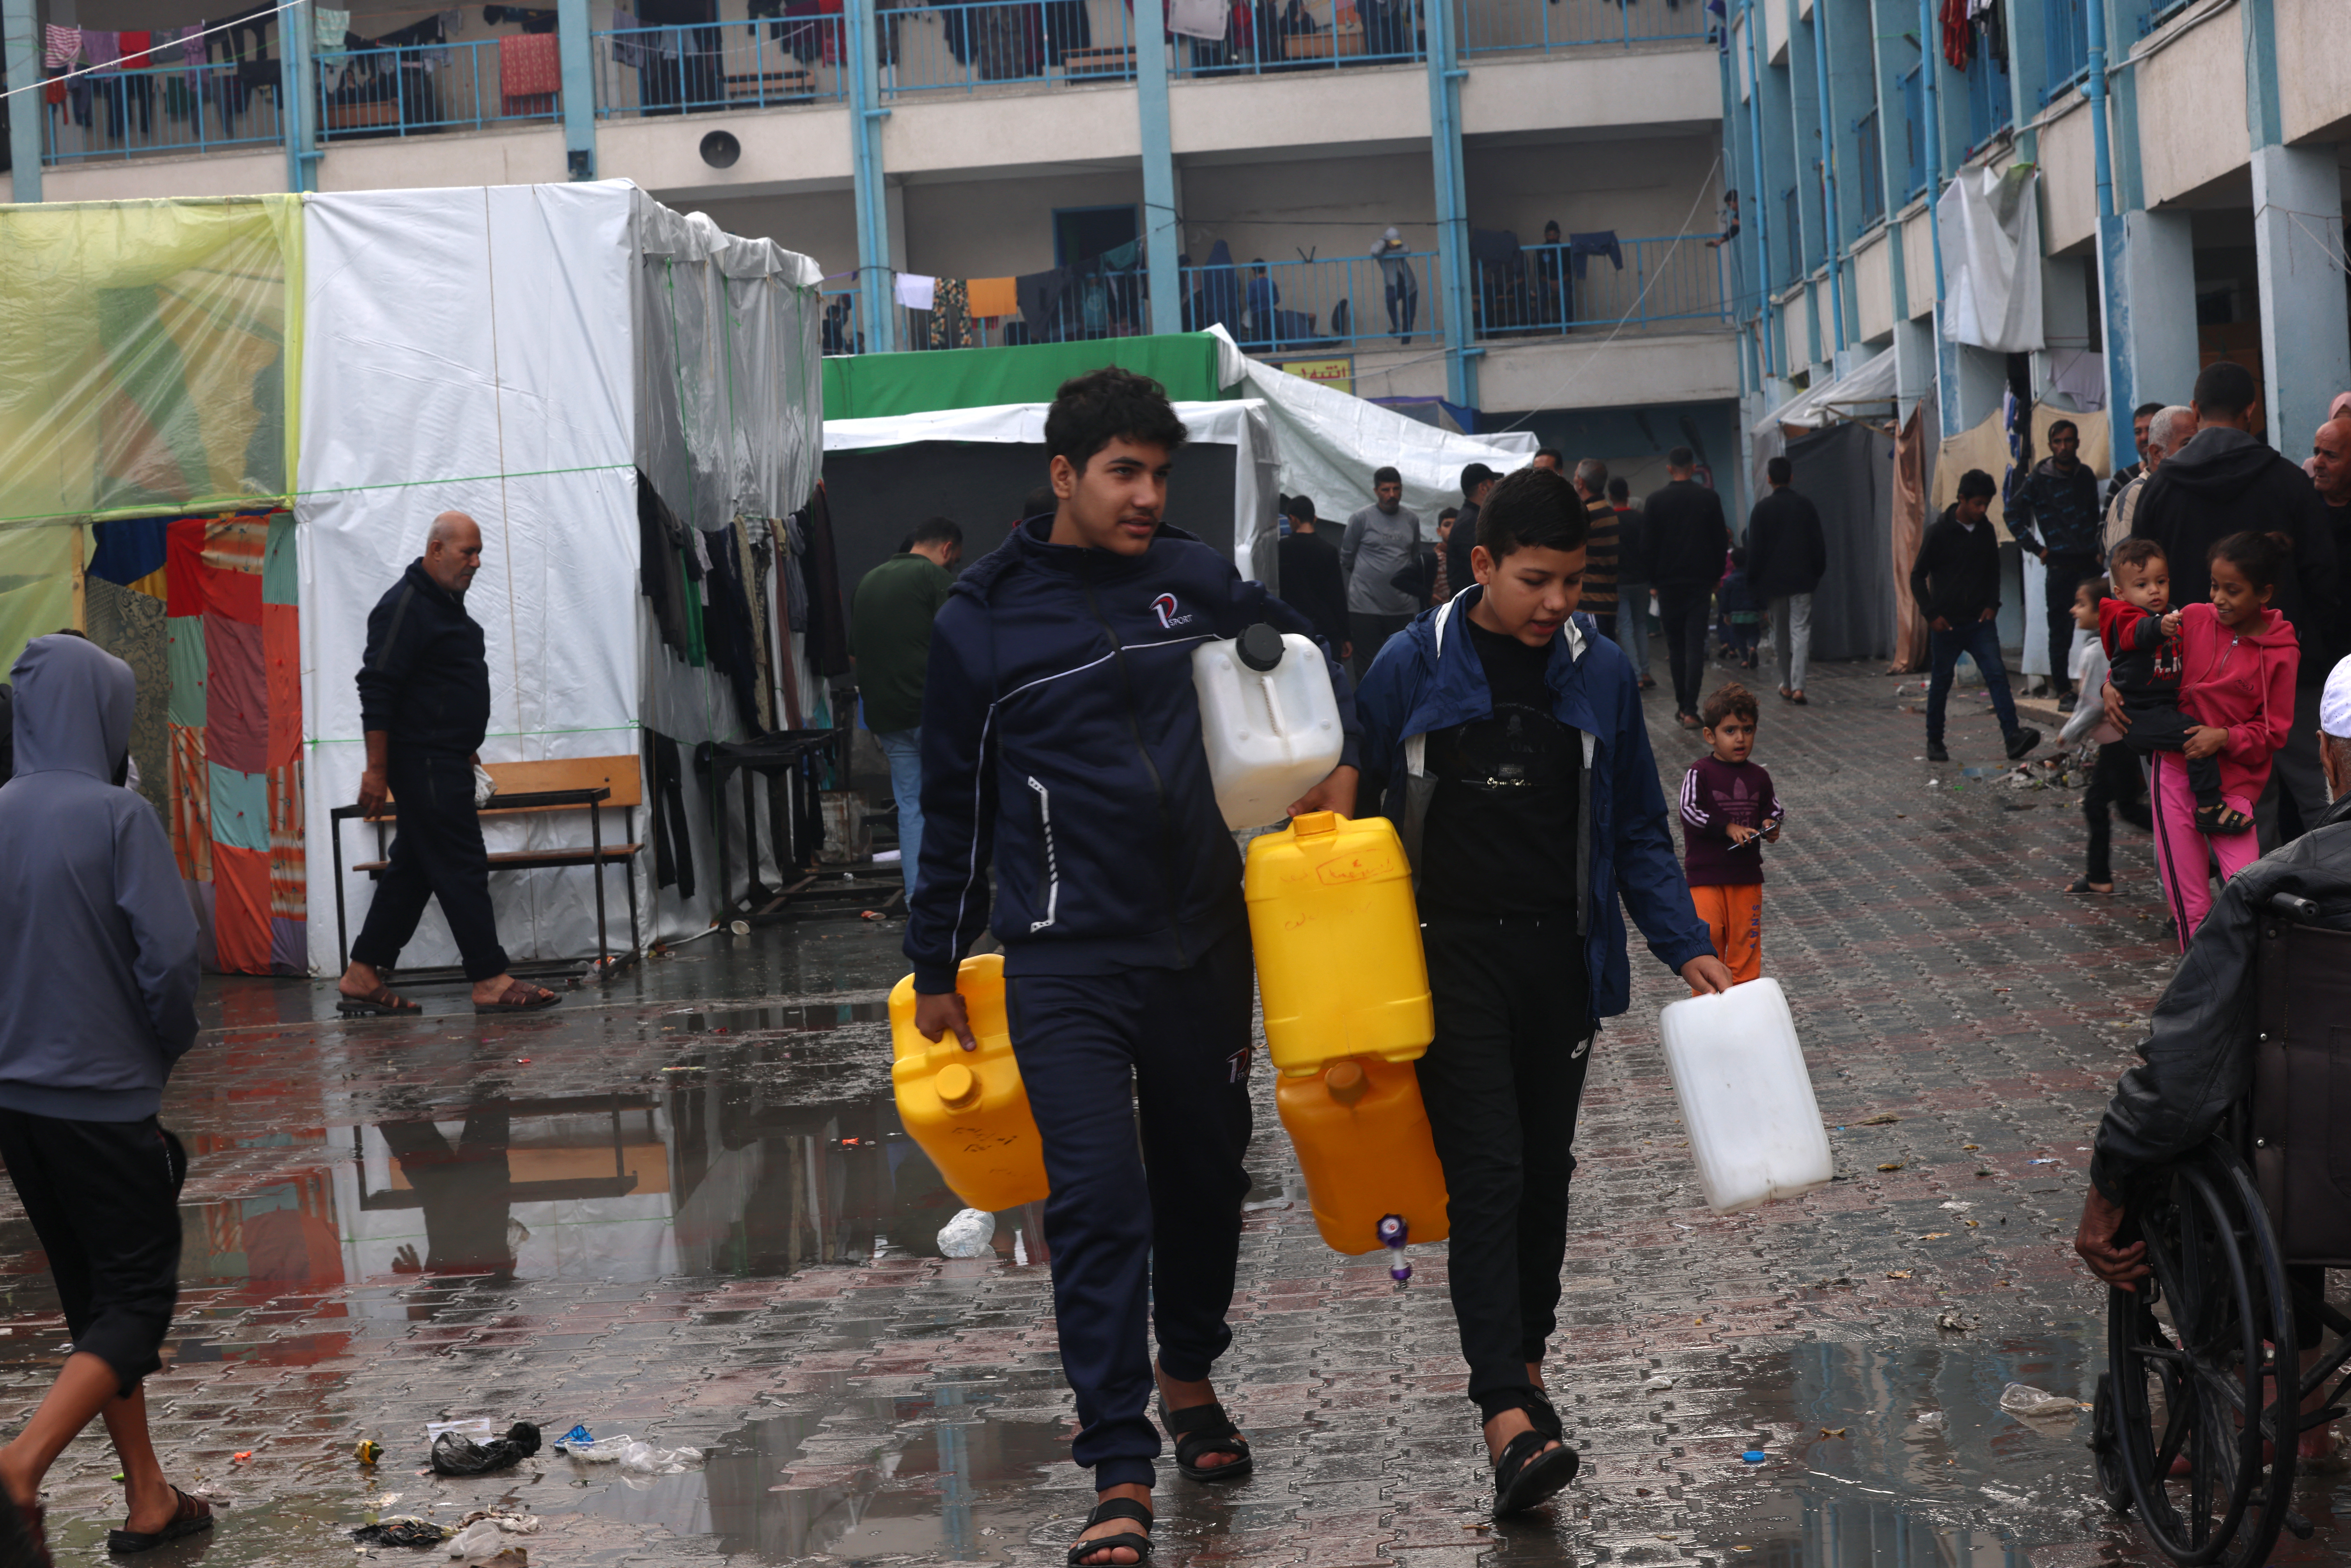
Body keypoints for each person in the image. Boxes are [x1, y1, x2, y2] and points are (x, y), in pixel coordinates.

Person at [903, 368, 1359, 1568]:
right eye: (1122, 472)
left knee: (1208, 1177)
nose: (1146, 495)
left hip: (1204, 937)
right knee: (1099, 1202)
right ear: (1062, 475)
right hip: (1062, 957)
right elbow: (951, 804)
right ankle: (1115, 1460)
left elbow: (1303, 657)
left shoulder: (1194, 579)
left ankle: (1186, 1373)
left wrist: (1327, 737)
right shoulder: (983, 619)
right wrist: (935, 957)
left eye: (1159, 473)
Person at [1354, 465, 1730, 1517]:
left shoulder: (1599, 671)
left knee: (1543, 1180)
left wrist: (1680, 940)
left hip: (1558, 962)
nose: (1556, 601)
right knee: (1488, 1169)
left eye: (1571, 581)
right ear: (1479, 566)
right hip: (1441, 959)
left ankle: (1522, 1365)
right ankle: (1503, 1413)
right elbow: (1346, 807)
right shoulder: (1406, 664)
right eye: (1533, 580)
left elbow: (1632, 825)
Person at [2074, 652, 2351, 1466]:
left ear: (2329, 757)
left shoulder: (2277, 887)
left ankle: (2252, 1408)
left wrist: (2109, 1184)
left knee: (2227, 1126)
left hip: (2317, 1178)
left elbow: (2180, 1071)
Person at [0, 634, 212, 1556]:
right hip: (103, 1100)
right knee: (136, 1303)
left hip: (20, 1110)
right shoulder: (120, 818)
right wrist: (162, 1047)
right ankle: (19, 1469)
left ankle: (149, 1496)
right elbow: (168, 964)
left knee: (95, 1302)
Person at [337, 513, 559, 1017]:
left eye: (479, 552)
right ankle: (489, 978)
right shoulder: (404, 606)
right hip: (424, 763)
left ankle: (363, 972)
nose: (477, 562)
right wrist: (376, 770)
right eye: (468, 553)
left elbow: (436, 687)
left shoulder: (443, 605)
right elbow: (378, 686)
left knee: (414, 869)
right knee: (461, 863)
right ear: (436, 549)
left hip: (445, 757)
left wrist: (467, 744)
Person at [2132, 361, 2341, 848]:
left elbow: (2139, 588)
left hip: (2194, 678)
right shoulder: (2290, 482)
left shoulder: (2160, 490)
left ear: (2196, 409)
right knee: (2320, 793)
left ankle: (2234, 910)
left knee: (2224, 800)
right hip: (2285, 673)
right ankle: (2334, 903)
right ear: (2252, 411)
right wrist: (2312, 656)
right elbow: (2322, 580)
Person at [2133, 533, 2300, 949]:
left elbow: (2273, 732)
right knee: (2189, 903)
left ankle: (2251, 981)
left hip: (2234, 789)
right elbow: (2141, 663)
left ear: (2265, 593)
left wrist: (2223, 737)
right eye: (2214, 586)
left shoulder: (2282, 651)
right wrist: (2110, 688)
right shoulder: (2191, 618)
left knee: (2246, 890)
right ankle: (2203, 995)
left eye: (2233, 590)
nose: (2219, 599)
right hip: (2173, 772)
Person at [2097, 540, 2245, 837]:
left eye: (2160, 581)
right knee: (2195, 735)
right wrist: (2159, 627)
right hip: (2139, 712)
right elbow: (2134, 634)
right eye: (2142, 585)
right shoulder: (2125, 616)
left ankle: (2193, 846)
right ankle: (2208, 807)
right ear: (2120, 593)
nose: (2154, 590)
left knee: (2171, 790)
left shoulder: (2173, 613)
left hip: (2162, 708)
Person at [851, 516, 963, 899]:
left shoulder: (868, 581)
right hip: (934, 711)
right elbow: (965, 644)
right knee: (953, 803)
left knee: (911, 806)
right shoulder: (937, 581)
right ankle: (955, 896)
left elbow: (855, 653)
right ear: (947, 550)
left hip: (885, 714)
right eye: (955, 560)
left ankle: (921, 901)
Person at [1910, 470, 2041, 765]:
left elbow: (1992, 572)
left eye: (1986, 504)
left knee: (1996, 675)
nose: (1982, 510)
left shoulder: (1985, 531)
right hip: (1946, 623)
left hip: (1979, 623)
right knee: (1941, 682)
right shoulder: (1938, 532)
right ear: (1962, 500)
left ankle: (2012, 736)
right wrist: (1931, 614)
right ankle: (1935, 740)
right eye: (1977, 504)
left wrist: (1992, 605)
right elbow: (1917, 576)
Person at [1678, 681, 1781, 985]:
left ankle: (1744, 1003)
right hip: (1704, 877)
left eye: (1747, 730)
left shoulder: (1759, 776)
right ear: (1709, 735)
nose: (1740, 738)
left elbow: (1773, 809)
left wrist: (1770, 826)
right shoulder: (1700, 772)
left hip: (1745, 878)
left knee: (1744, 944)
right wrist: (1727, 827)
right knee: (1707, 940)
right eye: (1730, 730)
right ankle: (1708, 1005)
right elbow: (1688, 812)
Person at [2059, 577, 2152, 896]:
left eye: (2080, 604)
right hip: (2120, 740)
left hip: (2117, 742)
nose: (2073, 610)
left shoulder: (2098, 651)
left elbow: (2093, 703)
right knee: (2126, 806)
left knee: (2096, 804)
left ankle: (2098, 875)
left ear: (2101, 611)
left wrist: (2068, 733)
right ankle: (2192, 844)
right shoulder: (2101, 645)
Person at [2003, 418, 2104, 703]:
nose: (2063, 447)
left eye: (2068, 441)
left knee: (2103, 624)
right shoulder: (2038, 479)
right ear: (2050, 445)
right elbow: (2011, 515)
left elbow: (2093, 515)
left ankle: (2102, 685)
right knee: (2059, 632)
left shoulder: (2084, 475)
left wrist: (2098, 548)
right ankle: (2063, 691)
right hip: (2059, 565)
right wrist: (2037, 549)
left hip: (2089, 564)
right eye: (2058, 442)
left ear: (2077, 443)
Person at [1644, 447, 1731, 729]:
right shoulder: (1708, 498)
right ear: (1693, 468)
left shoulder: (1656, 501)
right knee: (1695, 645)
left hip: (1669, 583)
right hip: (1700, 581)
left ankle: (1683, 706)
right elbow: (1720, 540)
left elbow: (1649, 544)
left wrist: (1653, 581)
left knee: (1676, 646)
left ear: (1670, 469)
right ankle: (1691, 708)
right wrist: (1717, 575)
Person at [1744, 455, 1826, 704]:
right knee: (1801, 631)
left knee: (1780, 633)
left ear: (1769, 480)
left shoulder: (1761, 510)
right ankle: (1800, 686)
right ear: (1791, 478)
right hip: (1803, 580)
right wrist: (1817, 573)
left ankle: (1787, 685)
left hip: (1774, 584)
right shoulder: (1806, 506)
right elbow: (1818, 545)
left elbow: (1755, 550)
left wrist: (1754, 582)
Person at [1340, 466, 1424, 680]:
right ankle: (1368, 713)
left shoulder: (1411, 520)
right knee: (1367, 667)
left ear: (1402, 489)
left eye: (1396, 489)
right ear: (1376, 491)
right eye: (1386, 490)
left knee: (1403, 663)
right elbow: (1347, 558)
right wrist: (1371, 577)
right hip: (1365, 606)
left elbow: (1414, 558)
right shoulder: (1361, 518)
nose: (1392, 495)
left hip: (1402, 608)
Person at [2103, 404, 2193, 562]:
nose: (2144, 437)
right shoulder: (2133, 496)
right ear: (2157, 454)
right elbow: (2130, 572)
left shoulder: (2190, 488)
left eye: (2199, 442)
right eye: (2187, 445)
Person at [1275, 496, 1351, 660]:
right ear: (1315, 519)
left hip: (1292, 627)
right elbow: (1337, 595)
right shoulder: (1329, 551)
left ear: (1292, 519)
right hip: (1326, 628)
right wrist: (1346, 636)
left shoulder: (1281, 550)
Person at [1608, 476, 1652, 688]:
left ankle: (1636, 676)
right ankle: (1646, 672)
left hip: (1618, 582)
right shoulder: (1641, 519)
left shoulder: (1608, 521)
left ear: (1610, 497)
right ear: (1628, 494)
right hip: (1642, 580)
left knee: (1625, 627)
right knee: (1641, 625)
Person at [1570, 459, 1619, 641]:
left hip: (1592, 602)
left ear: (1581, 482)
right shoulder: (1607, 511)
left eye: (1575, 476)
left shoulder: (1588, 514)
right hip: (1607, 600)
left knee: (1592, 657)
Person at [1444, 463, 1500, 611]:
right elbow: (1481, 568)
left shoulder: (1473, 518)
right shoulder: (1471, 522)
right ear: (1483, 488)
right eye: (1493, 485)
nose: (1496, 490)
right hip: (1471, 607)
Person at [2107, 402, 2164, 511]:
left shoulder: (2178, 476)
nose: (2144, 437)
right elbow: (2106, 526)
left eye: (2150, 430)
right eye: (2138, 432)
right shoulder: (2122, 480)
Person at [1716, 548, 1762, 670]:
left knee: (1740, 637)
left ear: (1732, 563)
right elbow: (1760, 595)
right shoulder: (1753, 579)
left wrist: (1726, 614)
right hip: (1753, 612)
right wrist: (1763, 609)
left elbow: (1725, 600)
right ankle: (1753, 648)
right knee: (1754, 633)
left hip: (1736, 615)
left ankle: (1745, 660)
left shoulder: (1730, 580)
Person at [1373, 226, 1418, 344]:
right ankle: (1396, 327)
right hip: (1393, 284)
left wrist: (1388, 253)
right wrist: (1383, 242)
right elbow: (1375, 252)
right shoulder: (1380, 248)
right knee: (1391, 301)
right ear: (1387, 241)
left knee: (1409, 318)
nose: (1395, 245)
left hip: (1410, 285)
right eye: (1392, 243)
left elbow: (1407, 250)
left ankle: (1406, 344)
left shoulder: (1399, 247)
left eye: (1397, 243)